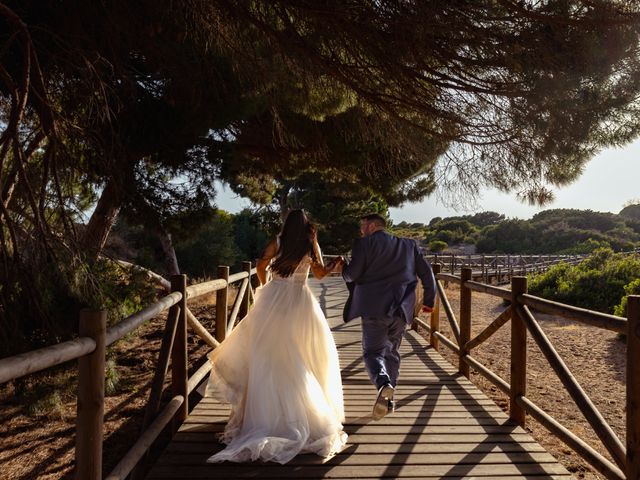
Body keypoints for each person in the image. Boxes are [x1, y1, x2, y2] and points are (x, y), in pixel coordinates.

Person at [204, 209, 347, 464]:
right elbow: (320, 274)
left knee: (265, 356)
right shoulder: (309, 244)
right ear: (306, 227)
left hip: (273, 300)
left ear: (286, 224)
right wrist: (329, 258)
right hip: (300, 302)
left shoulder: (277, 242)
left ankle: (263, 416)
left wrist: (264, 284)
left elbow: (260, 264)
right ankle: (303, 414)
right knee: (302, 358)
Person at [339, 213, 436, 420]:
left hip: (374, 308)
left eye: (362, 225)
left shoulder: (364, 244)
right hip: (402, 309)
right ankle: (389, 399)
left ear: (373, 226)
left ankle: (384, 384)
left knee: (373, 352)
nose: (361, 230)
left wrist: (343, 268)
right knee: (391, 352)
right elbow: (427, 273)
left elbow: (352, 274)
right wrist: (429, 301)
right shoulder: (409, 245)